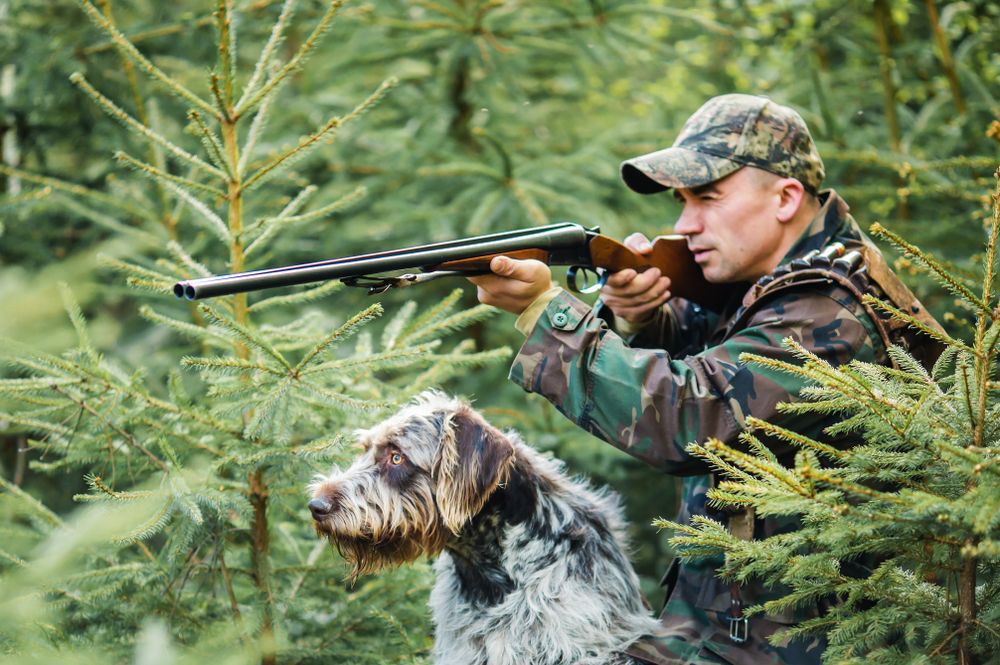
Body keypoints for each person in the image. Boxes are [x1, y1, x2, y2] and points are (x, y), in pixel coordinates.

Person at [468, 94, 941, 664]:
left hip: (810, 646)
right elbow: (722, 355)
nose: (685, 224)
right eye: (682, 201)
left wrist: (546, 311)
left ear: (786, 197)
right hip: (729, 629)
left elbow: (693, 416)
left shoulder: (829, 307)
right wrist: (647, 318)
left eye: (708, 198)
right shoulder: (769, 280)